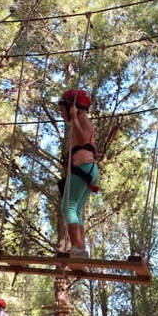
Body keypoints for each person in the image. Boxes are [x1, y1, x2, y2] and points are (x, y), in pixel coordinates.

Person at [58, 89, 100, 257]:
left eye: (63, 110)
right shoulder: (82, 121)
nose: (62, 114)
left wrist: (74, 118)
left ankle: (77, 247)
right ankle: (80, 249)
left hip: (83, 168)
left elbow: (83, 139)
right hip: (87, 169)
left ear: (73, 107)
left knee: (67, 207)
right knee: (74, 209)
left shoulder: (83, 120)